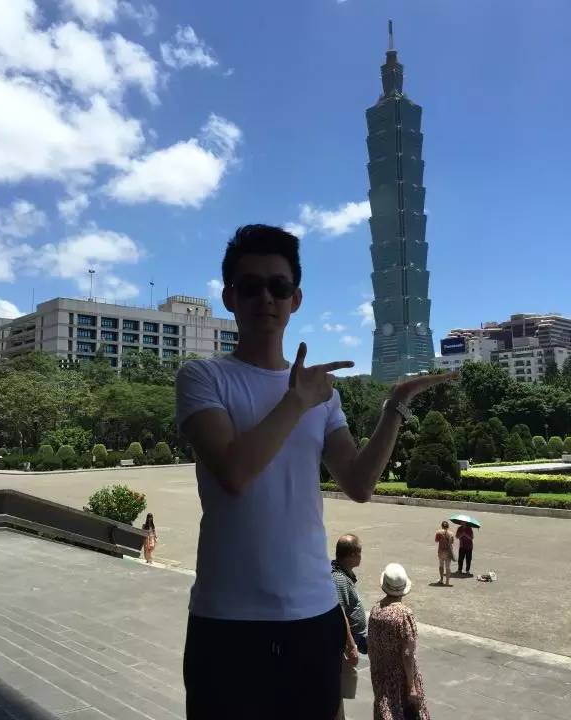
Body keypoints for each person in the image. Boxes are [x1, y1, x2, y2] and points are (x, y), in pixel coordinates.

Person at [176, 224, 456, 720]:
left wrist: (394, 407)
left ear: (296, 298)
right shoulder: (204, 377)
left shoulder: (324, 395)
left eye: (279, 286)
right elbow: (234, 472)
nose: (266, 297)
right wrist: (296, 399)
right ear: (229, 297)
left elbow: (359, 483)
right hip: (228, 619)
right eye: (251, 286)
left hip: (313, 613)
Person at [368, 563, 430, 720]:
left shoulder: (375, 610)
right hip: (400, 677)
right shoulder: (404, 614)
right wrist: (411, 686)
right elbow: (407, 653)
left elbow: (371, 645)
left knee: (386, 711)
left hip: (381, 674)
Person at [331, 534, 367, 720]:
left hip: (353, 639)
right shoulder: (339, 579)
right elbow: (340, 613)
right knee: (337, 689)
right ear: (352, 555)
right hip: (346, 643)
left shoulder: (343, 574)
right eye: (359, 552)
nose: (361, 556)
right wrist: (351, 645)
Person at [434, 520, 455, 586]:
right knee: (448, 567)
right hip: (448, 551)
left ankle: (441, 579)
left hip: (441, 551)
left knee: (441, 566)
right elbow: (452, 542)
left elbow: (436, 540)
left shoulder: (438, 532)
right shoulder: (451, 533)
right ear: (448, 526)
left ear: (442, 526)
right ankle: (447, 582)